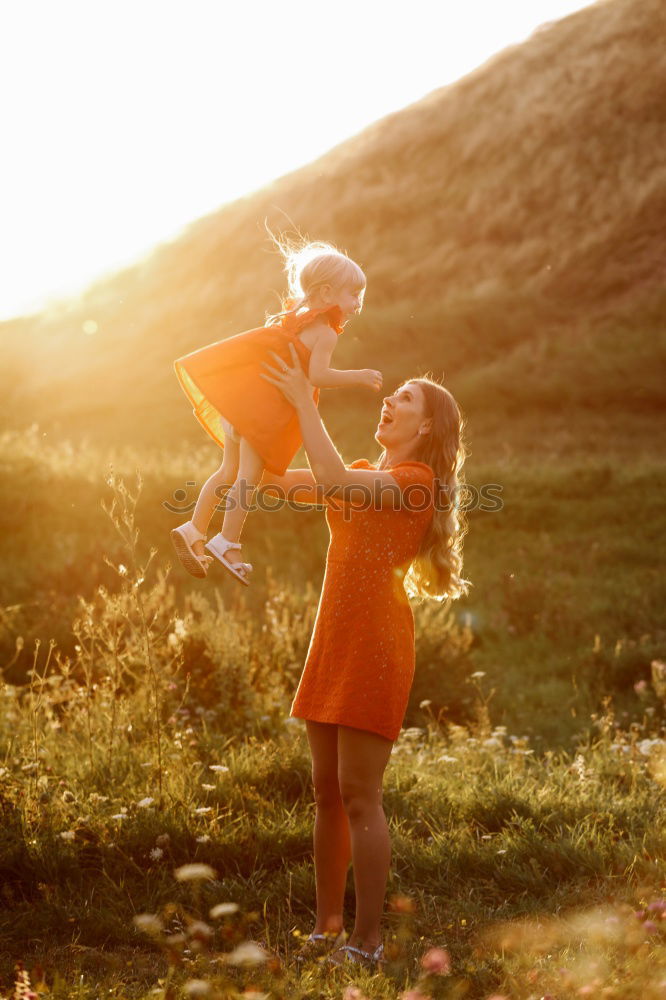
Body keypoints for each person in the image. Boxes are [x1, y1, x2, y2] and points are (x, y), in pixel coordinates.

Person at [258, 343, 471, 971]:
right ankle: (328, 928)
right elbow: (276, 480)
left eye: (405, 398)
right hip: (333, 639)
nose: (390, 400)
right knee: (325, 792)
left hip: (377, 642)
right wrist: (260, 420)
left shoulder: (414, 482)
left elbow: (335, 482)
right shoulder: (358, 471)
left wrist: (305, 400)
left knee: (358, 794)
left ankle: (369, 939)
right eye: (392, 393)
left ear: (427, 426)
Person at [171, 238, 382, 585]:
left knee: (228, 470)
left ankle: (194, 527)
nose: (358, 302)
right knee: (247, 477)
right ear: (327, 293)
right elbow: (317, 376)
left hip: (243, 402)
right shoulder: (326, 333)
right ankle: (227, 542)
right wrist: (357, 377)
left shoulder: (296, 319)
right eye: (353, 294)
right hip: (262, 412)